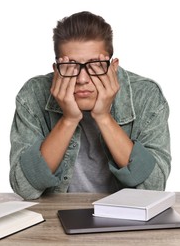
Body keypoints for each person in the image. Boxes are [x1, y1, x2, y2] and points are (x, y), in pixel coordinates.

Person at [9, 11, 171, 200]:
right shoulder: (33, 95)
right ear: (56, 70)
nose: (82, 79)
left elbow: (154, 186)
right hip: (53, 219)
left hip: (128, 217)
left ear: (113, 67)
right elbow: (24, 187)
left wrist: (103, 117)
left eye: (95, 65)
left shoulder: (146, 95)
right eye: (70, 67)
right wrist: (68, 120)